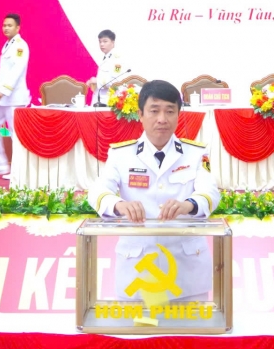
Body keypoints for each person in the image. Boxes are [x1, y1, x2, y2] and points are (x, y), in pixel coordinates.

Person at [88, 80, 221, 300]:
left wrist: (188, 205)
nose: (162, 119)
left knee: (191, 323)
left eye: (170, 111)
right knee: (135, 323)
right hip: (137, 270)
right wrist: (120, 205)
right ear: (140, 114)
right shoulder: (121, 155)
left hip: (186, 271)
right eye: (154, 110)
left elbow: (211, 192)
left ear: (178, 114)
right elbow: (98, 191)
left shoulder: (196, 153)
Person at [0, 13, 29, 179]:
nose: (6, 28)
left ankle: (18, 170)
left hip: (13, 97)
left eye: (10, 25)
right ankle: (0, 164)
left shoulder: (21, 46)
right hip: (0, 97)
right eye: (4, 25)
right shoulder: (8, 44)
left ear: (18, 28)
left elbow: (17, 70)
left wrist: (5, 90)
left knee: (15, 133)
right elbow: (3, 72)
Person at [87, 29, 130, 107]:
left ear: (112, 43)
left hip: (108, 100)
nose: (101, 44)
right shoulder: (106, 57)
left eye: (105, 41)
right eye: (100, 42)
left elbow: (116, 81)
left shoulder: (116, 59)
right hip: (99, 99)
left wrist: (97, 81)